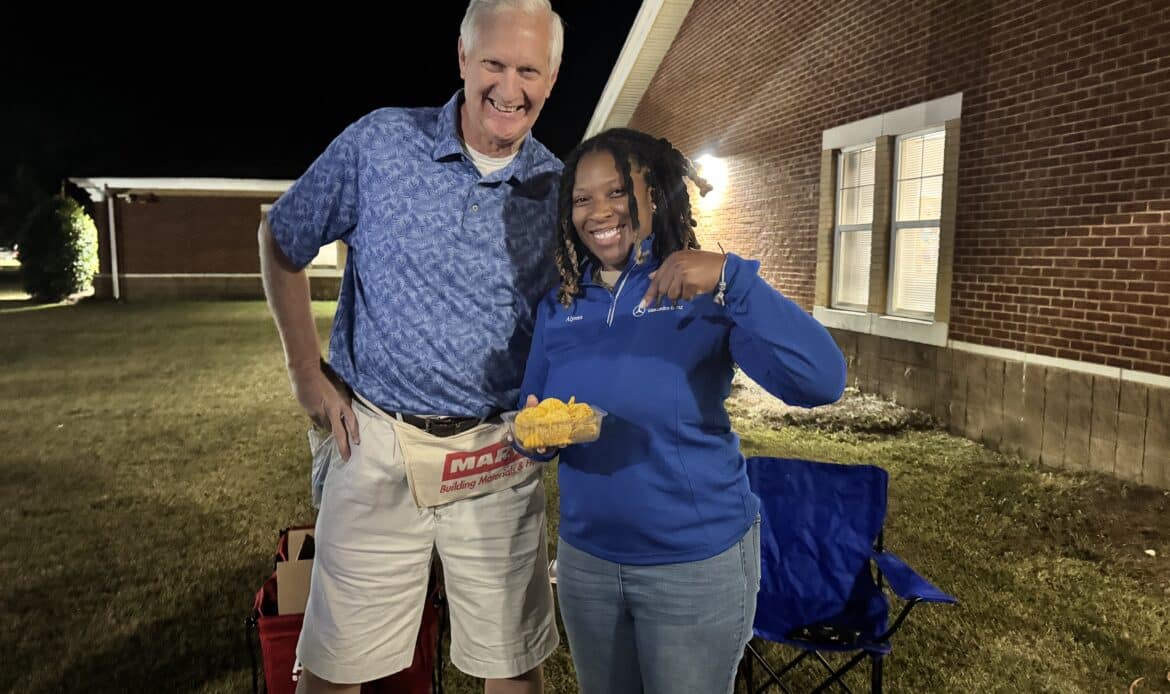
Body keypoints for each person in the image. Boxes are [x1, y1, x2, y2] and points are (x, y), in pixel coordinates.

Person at [257, 2, 565, 692]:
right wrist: (304, 369)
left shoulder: (560, 189)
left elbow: (578, 317)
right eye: (493, 63)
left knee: (513, 668)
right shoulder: (381, 143)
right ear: (462, 57)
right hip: (374, 439)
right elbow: (282, 238)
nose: (508, 88)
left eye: (528, 70)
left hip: (497, 454)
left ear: (551, 79)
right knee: (333, 669)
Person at [515, 127, 848, 694]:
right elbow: (534, 409)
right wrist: (534, 437)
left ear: (654, 195)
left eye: (617, 191)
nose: (599, 211)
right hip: (586, 565)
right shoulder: (560, 305)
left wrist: (732, 278)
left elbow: (821, 380)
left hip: (693, 565)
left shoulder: (703, 293)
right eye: (582, 198)